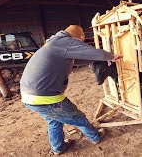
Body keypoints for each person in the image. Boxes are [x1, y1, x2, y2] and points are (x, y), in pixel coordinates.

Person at [20, 25, 121, 155]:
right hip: (44, 96)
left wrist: (98, 59)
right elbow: (89, 51)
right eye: (80, 42)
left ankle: (58, 148)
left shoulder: (55, 44)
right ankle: (95, 137)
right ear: (76, 38)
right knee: (77, 117)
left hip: (29, 96)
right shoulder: (64, 41)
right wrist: (110, 56)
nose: (80, 45)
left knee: (54, 120)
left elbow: (78, 59)